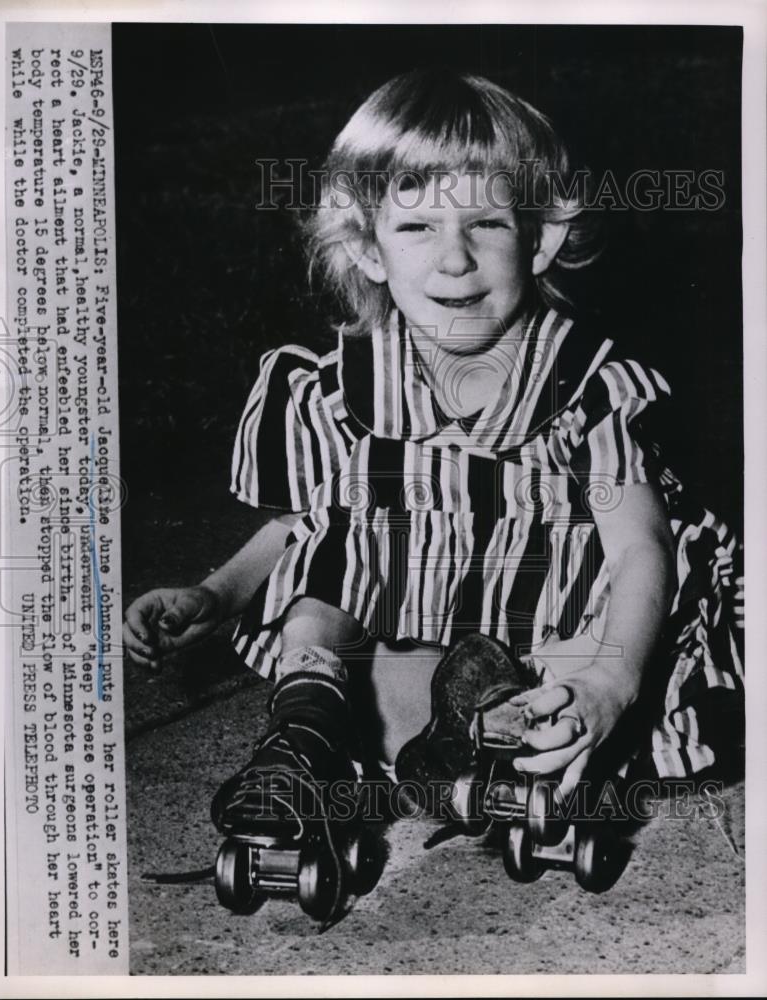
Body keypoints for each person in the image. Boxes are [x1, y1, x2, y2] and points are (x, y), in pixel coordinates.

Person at [123, 70, 743, 839]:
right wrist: (214, 596)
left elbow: (640, 549)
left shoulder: (585, 387)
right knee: (330, 598)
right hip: (413, 636)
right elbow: (305, 529)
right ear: (367, 248)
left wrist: (612, 679)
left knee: (556, 694)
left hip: (552, 635)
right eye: (416, 228)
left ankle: (466, 741)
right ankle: (305, 735)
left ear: (539, 237)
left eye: (484, 223)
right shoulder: (335, 387)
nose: (454, 260)